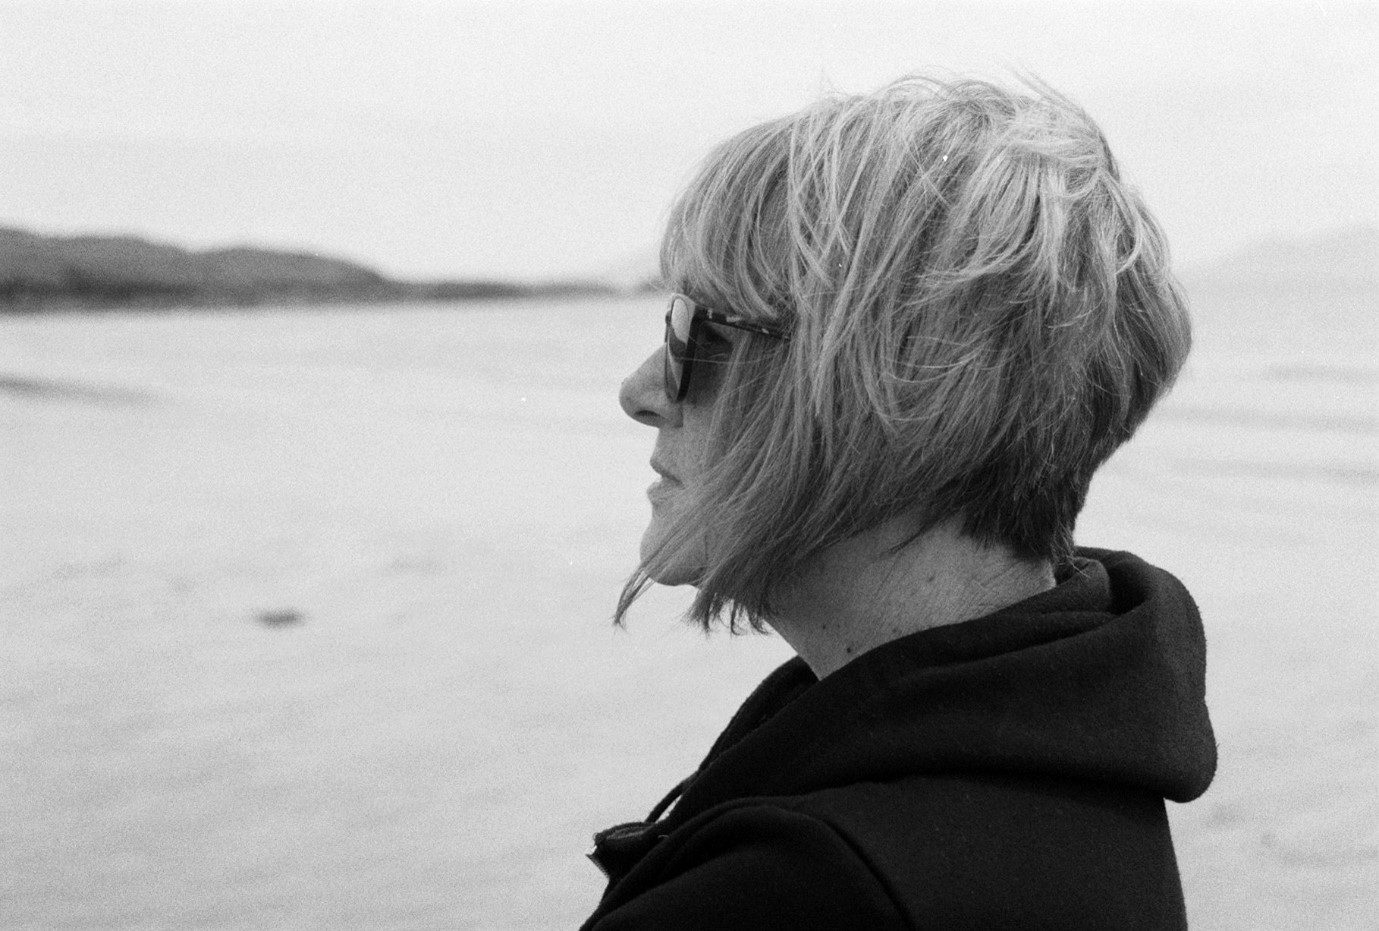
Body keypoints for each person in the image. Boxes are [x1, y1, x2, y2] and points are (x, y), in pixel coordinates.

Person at [584, 75, 1216, 930]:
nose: (641, 391)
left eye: (704, 329)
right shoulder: (1073, 772)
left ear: (896, 393)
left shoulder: (807, 894)